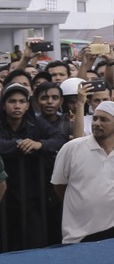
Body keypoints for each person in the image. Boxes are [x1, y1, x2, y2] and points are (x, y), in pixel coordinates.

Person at [50, 101, 114, 244]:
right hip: (79, 234)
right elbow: (59, 185)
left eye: (104, 120)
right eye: (95, 118)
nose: (96, 123)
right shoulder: (71, 148)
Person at [0, 83, 66, 250]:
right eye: (12, 101)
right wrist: (20, 145)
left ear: (28, 105)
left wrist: (40, 145)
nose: (17, 106)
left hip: (32, 195)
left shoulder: (36, 123)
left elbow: (59, 139)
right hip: (5, 195)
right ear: (3, 104)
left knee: (36, 242)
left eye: (22, 101)